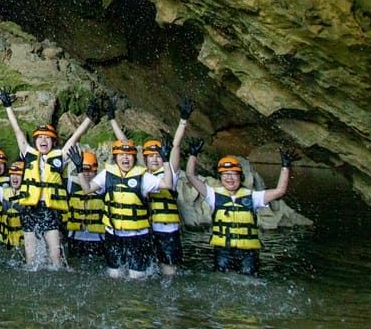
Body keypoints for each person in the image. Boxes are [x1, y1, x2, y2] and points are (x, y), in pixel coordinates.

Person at [73, 98, 175, 279]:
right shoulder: (107, 174)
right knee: (114, 276)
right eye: (121, 156)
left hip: (138, 235)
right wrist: (80, 169)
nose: (125, 159)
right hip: (113, 234)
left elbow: (167, 184)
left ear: (134, 158)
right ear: (116, 158)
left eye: (129, 156)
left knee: (136, 277)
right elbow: (87, 189)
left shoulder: (143, 176)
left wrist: (166, 161)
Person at [0, 89, 94, 268]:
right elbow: (18, 131)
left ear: (53, 142)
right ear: (35, 142)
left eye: (47, 138)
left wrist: (88, 118)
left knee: (55, 255)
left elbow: (74, 138)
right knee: (31, 258)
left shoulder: (59, 157)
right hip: (30, 208)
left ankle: (57, 274)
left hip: (49, 209)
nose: (43, 141)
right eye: (40, 138)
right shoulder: (29, 154)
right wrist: (8, 106)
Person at [109, 98, 193, 276]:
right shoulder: (141, 175)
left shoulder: (170, 172)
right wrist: (112, 119)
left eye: (158, 155)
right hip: (146, 230)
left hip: (168, 231)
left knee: (168, 270)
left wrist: (183, 121)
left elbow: (176, 146)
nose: (155, 159)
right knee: (146, 270)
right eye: (150, 156)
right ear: (144, 159)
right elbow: (124, 143)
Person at [183, 143, 293, 275]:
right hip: (223, 251)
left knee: (249, 281)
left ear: (240, 177)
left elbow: (280, 191)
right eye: (225, 175)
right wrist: (193, 156)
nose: (229, 178)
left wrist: (285, 167)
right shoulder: (212, 195)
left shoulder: (253, 197)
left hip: (248, 253)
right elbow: (190, 176)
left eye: (233, 174)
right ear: (220, 178)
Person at [65, 150, 106, 262]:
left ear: (96, 170)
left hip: (98, 239)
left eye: (90, 170)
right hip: (75, 238)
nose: (86, 174)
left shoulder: (103, 186)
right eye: (83, 170)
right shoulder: (70, 185)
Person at [0, 160, 25, 251]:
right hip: (5, 243)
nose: (14, 177)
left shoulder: (31, 195)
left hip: (24, 244)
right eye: (12, 174)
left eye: (18, 175)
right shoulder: (4, 192)